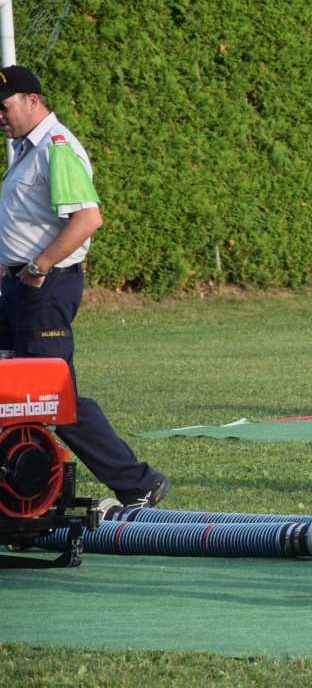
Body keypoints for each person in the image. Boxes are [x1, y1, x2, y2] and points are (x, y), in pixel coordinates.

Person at [0, 65, 170, 508]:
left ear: (31, 101)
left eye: (4, 107)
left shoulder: (55, 147)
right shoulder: (24, 148)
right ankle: (23, 491)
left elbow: (87, 218)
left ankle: (138, 482)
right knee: (15, 393)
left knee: (53, 398)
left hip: (45, 288)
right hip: (21, 288)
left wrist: (38, 265)